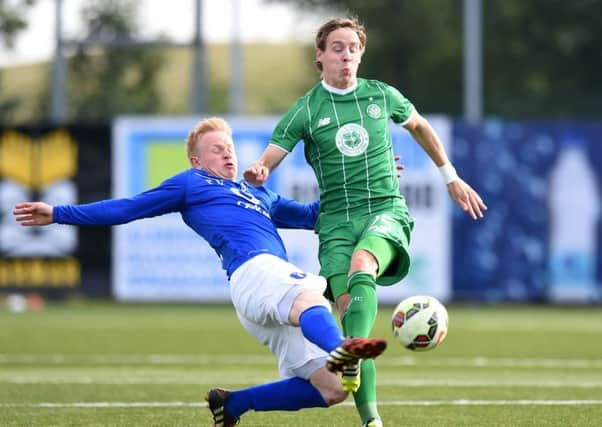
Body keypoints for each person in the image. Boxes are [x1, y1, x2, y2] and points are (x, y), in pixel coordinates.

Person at [13, 117, 389, 427]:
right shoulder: (191, 183)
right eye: (216, 149)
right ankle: (342, 349)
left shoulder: (260, 194)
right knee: (309, 298)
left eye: (229, 147)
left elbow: (313, 216)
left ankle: (234, 403)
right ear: (197, 160)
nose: (227, 154)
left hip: (263, 293)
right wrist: (59, 213)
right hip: (255, 273)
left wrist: (367, 186)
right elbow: (128, 208)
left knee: (333, 389)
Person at [243, 17, 487, 427]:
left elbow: (421, 126)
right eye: (337, 48)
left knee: (362, 264)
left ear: (361, 54)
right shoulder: (306, 109)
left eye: (353, 48)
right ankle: (371, 419)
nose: (346, 56)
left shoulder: (380, 95)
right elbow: (271, 155)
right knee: (347, 313)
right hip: (335, 222)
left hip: (384, 212)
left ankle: (351, 356)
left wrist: (451, 176)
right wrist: (260, 171)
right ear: (319, 56)